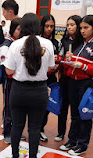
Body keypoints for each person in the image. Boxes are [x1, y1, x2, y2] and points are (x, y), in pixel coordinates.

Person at [5, 13, 55, 158]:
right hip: (39, 91)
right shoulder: (47, 44)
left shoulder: (15, 45)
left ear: (23, 27)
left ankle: (14, 157)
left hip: (18, 90)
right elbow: (49, 68)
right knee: (34, 127)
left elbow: (8, 70)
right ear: (39, 27)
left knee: (16, 125)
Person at [61, 15, 93, 156]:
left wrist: (82, 66)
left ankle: (82, 144)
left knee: (85, 115)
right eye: (81, 28)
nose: (82, 31)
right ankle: (72, 140)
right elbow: (71, 63)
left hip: (87, 84)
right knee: (74, 113)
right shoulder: (78, 43)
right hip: (73, 82)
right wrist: (67, 59)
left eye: (86, 28)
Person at [57, 15, 82, 149]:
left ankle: (74, 136)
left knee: (75, 108)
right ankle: (61, 132)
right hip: (65, 78)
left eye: (72, 24)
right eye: (68, 25)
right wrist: (61, 58)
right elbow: (60, 55)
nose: (69, 27)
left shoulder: (82, 42)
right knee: (63, 106)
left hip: (76, 79)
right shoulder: (65, 40)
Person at [0, 17, 21, 144]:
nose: (20, 31)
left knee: (17, 107)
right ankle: (7, 132)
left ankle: (15, 131)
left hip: (18, 80)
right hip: (9, 80)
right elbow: (6, 67)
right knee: (9, 106)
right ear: (13, 29)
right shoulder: (6, 45)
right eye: (18, 29)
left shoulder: (19, 42)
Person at [39, 14, 61, 142]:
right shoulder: (35, 40)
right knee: (34, 105)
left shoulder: (56, 43)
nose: (49, 29)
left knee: (46, 105)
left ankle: (41, 128)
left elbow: (59, 60)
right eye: (47, 26)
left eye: (52, 26)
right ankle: (33, 128)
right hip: (36, 78)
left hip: (50, 79)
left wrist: (56, 65)